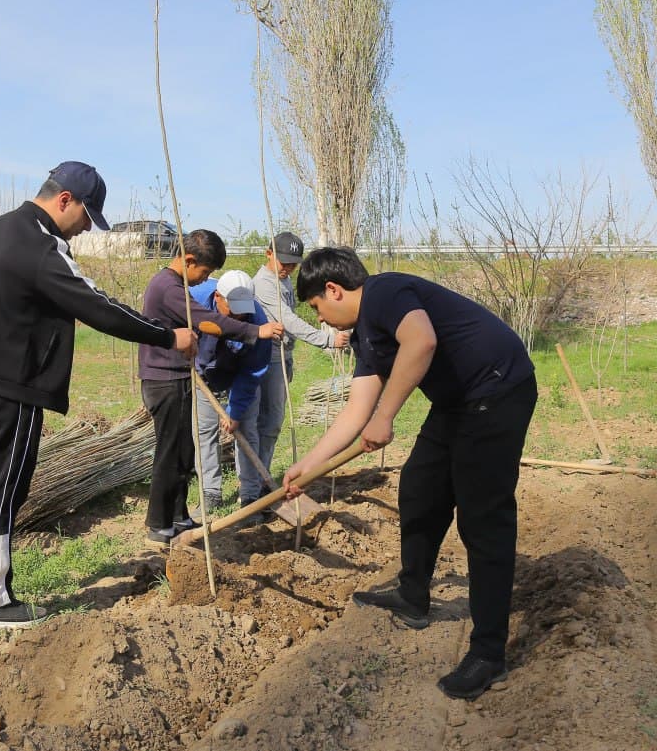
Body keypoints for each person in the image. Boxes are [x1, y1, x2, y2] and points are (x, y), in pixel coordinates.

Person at [0, 161, 196, 630]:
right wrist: (167, 337)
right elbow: (98, 306)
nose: (83, 230)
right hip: (8, 389)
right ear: (65, 201)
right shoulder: (41, 247)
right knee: (0, 490)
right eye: (85, 218)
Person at [283, 247, 537, 700]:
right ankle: (413, 594)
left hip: (499, 390)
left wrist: (387, 416)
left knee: (483, 520)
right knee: (420, 490)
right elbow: (355, 410)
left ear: (333, 290)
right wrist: (309, 467)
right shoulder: (365, 336)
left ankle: (488, 653)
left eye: (317, 308)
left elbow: (422, 341)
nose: (320, 319)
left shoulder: (386, 292)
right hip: (457, 401)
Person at [138, 230, 283, 544]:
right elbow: (208, 322)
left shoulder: (177, 286)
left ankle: (179, 516)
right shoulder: (170, 287)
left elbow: (247, 369)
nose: (204, 279)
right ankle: (159, 523)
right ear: (189, 261)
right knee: (170, 453)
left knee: (183, 452)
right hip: (164, 379)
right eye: (204, 272)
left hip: (178, 376)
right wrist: (256, 332)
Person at [252, 232, 350, 478]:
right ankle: (258, 479)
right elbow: (289, 321)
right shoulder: (264, 283)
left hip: (283, 356)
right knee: (270, 422)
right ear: (268, 254)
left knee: (272, 421)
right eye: (284, 263)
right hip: (269, 356)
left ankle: (261, 475)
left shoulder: (282, 280)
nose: (289, 268)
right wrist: (327, 340)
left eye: (293, 264)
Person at [191, 270, 272, 512]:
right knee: (205, 433)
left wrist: (235, 411)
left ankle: (250, 495)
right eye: (233, 308)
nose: (240, 314)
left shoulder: (258, 321)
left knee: (247, 430)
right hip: (203, 375)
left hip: (240, 375)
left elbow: (253, 371)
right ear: (218, 297)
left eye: (244, 307)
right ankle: (210, 493)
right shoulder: (194, 299)